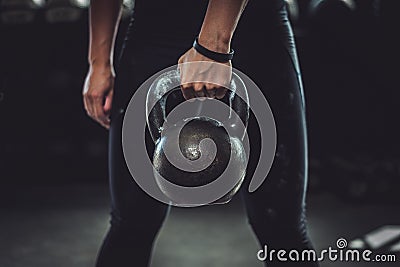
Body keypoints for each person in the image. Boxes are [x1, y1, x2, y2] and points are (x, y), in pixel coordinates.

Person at [82, 0, 319, 266]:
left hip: (253, 29)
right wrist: (99, 63)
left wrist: (214, 45)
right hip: (154, 32)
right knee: (130, 222)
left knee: (282, 226)